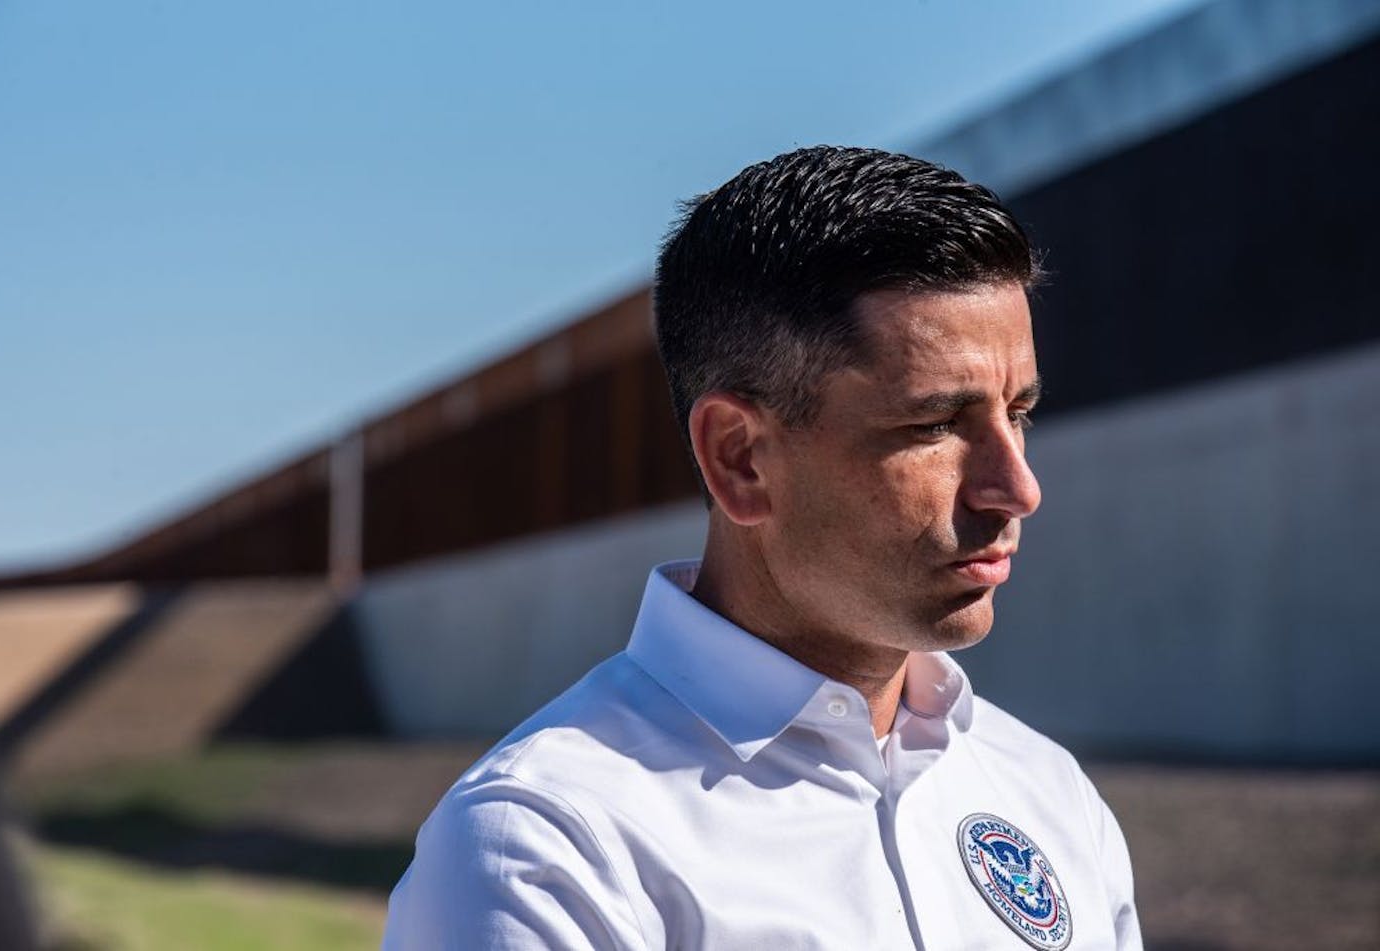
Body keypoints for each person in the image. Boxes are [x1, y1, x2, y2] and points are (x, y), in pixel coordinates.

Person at [384, 146, 1142, 950]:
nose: (1017, 487)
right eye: (933, 425)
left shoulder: (1052, 794)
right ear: (740, 458)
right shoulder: (547, 847)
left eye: (1017, 411)